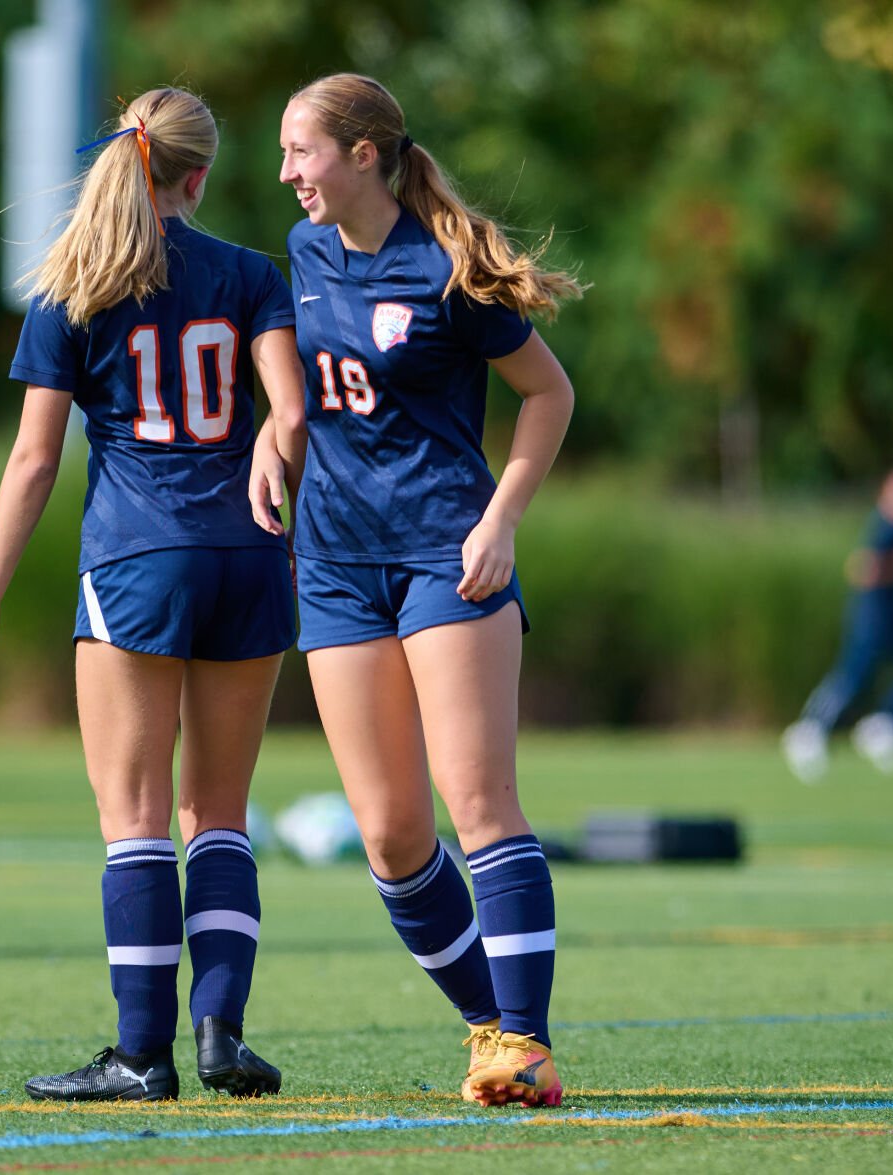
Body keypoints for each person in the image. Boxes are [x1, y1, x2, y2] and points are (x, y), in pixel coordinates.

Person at [0, 87, 307, 1102]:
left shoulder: (75, 284)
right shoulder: (247, 272)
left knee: (139, 818)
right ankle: (223, 1035)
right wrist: (264, 462)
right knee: (222, 813)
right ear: (198, 177)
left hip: (137, 561)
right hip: (248, 553)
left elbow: (33, 461)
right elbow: (290, 410)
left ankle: (143, 1052)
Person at [253, 73, 582, 1108]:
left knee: (479, 803)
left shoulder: (447, 267)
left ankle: (524, 1040)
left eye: (298, 151)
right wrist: (275, 430)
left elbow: (548, 394)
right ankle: (491, 1027)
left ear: (361, 155)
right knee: (394, 836)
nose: (284, 172)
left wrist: (501, 522)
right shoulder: (301, 255)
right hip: (337, 570)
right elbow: (305, 389)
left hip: (450, 555)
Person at [782, 466, 893, 782]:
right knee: (852, 674)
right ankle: (810, 728)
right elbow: (862, 568)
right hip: (872, 614)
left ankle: (883, 723)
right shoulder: (886, 525)